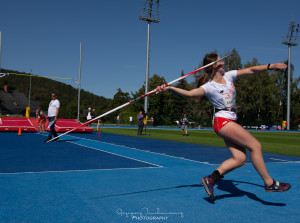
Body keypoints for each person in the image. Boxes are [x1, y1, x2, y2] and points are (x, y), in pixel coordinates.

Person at [156, 52, 290, 200]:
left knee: (240, 158)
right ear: (214, 65)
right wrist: (169, 88)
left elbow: (251, 70)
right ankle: (269, 183)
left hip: (230, 120)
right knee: (255, 146)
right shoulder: (209, 87)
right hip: (223, 121)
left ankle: (211, 179)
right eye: (220, 60)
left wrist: (270, 67)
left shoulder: (229, 76)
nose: (224, 62)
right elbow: (190, 94)